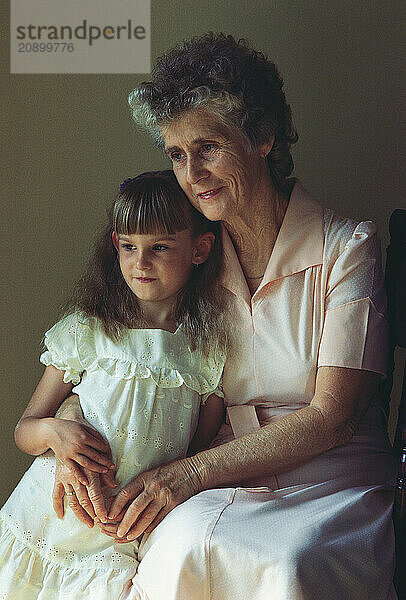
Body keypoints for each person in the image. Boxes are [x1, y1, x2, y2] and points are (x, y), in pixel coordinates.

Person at [53, 33, 396, 600]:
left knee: (287, 565)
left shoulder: (346, 248)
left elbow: (332, 418)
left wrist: (186, 476)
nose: (192, 174)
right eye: (176, 154)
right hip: (224, 487)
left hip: (335, 490)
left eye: (208, 147)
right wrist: (70, 433)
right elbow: (120, 356)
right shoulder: (192, 256)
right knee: (175, 553)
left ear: (262, 136)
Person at [0, 170, 228, 598]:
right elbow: (25, 429)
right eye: (129, 247)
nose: (140, 263)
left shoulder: (205, 349)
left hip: (116, 539)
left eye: (159, 247)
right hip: (44, 522)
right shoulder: (89, 330)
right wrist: (57, 433)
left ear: (200, 249)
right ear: (115, 248)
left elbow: (195, 456)